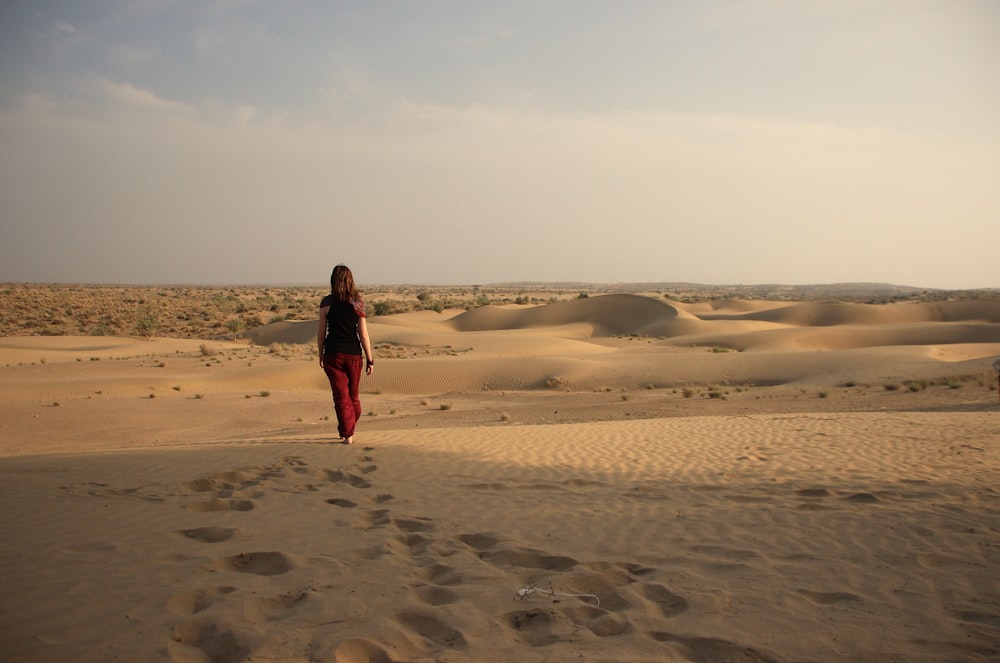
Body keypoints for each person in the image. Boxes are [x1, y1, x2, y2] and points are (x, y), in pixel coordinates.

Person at [317, 265, 374, 444]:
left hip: (333, 354)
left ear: (333, 280)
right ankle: (347, 432)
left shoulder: (327, 303)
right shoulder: (357, 303)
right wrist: (370, 359)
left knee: (343, 397)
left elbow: (321, 333)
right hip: (353, 356)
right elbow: (363, 334)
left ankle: (347, 432)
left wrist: (320, 354)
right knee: (351, 397)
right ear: (350, 280)